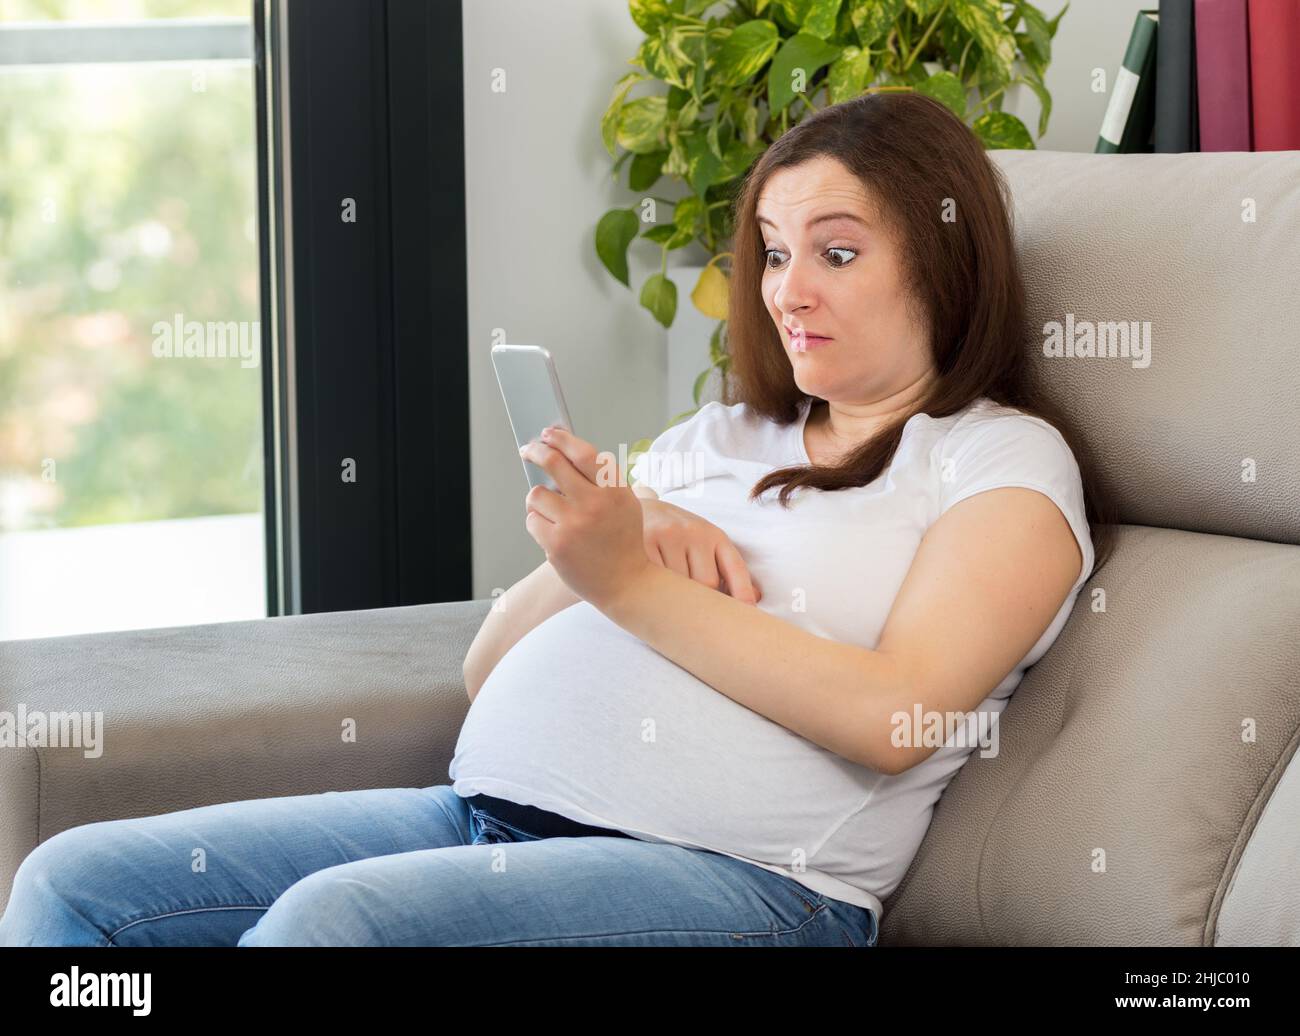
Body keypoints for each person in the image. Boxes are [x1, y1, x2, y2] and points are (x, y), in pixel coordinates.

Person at [0, 92, 1116, 948]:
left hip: (748, 880)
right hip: (484, 816)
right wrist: (597, 547)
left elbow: (898, 717)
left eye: (834, 250)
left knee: (333, 930)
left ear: (945, 257)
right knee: (76, 883)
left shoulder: (997, 460)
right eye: (773, 253)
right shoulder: (714, 440)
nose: (787, 290)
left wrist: (636, 582)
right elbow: (491, 665)